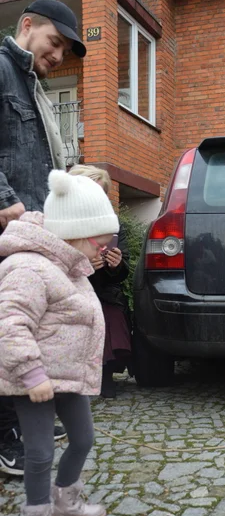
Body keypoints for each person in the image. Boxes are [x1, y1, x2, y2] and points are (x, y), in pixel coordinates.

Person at [0, 169, 119, 516]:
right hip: (32, 382)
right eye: (100, 243)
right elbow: (10, 323)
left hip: (67, 379)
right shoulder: (29, 268)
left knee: (83, 439)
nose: (103, 250)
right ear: (78, 234)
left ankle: (65, 500)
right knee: (39, 453)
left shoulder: (69, 265)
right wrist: (32, 373)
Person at [0, 0, 86, 474]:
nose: (57, 57)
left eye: (63, 52)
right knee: (7, 326)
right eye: (54, 43)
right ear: (27, 25)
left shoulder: (35, 88)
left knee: (28, 324)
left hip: (31, 227)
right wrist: (2, 199)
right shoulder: (2, 71)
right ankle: (6, 431)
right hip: (7, 223)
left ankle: (24, 413)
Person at [69, 165, 132, 398]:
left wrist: (116, 265)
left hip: (104, 290)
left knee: (110, 312)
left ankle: (105, 373)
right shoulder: (62, 222)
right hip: (69, 290)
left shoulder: (113, 224)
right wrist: (83, 267)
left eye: (101, 193)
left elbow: (124, 272)